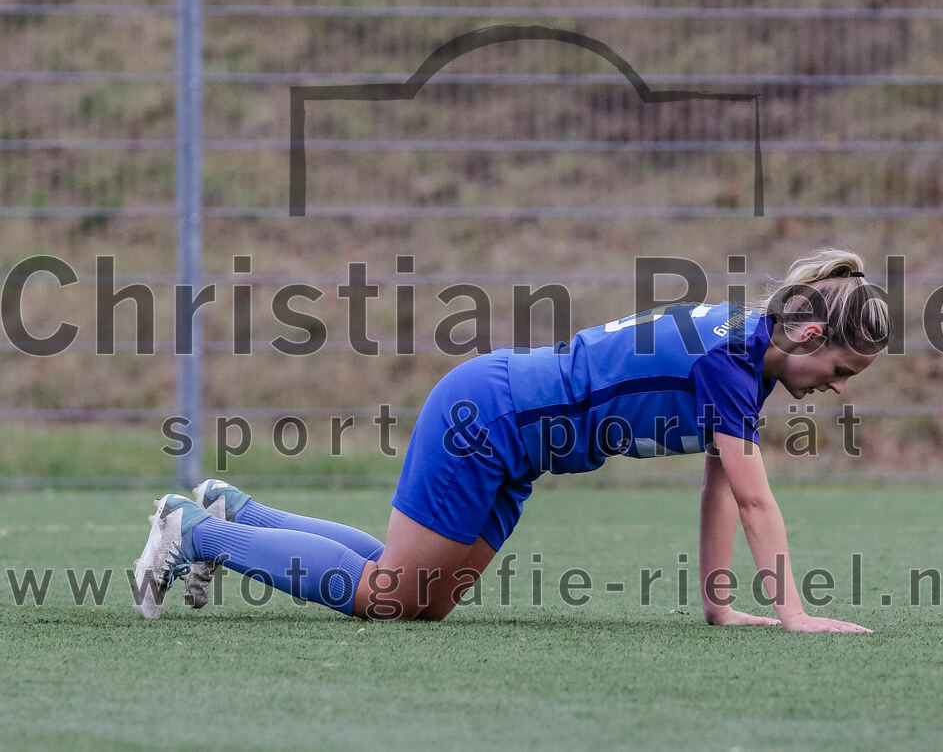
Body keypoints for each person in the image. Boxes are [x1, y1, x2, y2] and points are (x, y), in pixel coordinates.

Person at [133, 247, 888, 632]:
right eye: (840, 369)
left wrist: (720, 607)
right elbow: (756, 501)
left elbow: (723, 485)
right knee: (390, 598)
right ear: (810, 334)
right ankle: (195, 530)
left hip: (518, 446)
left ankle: (237, 510)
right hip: (489, 417)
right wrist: (795, 615)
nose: (837, 386)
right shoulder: (731, 361)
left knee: (425, 605)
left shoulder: (747, 352)